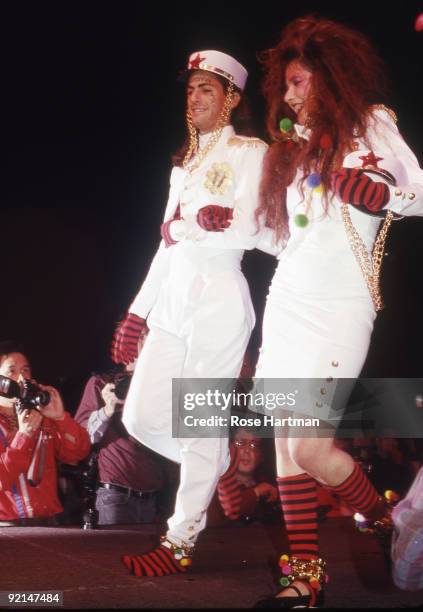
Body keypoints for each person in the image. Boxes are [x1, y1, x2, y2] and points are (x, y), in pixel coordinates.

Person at [250, 15, 423, 608]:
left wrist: (385, 196)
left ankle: (383, 517)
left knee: (311, 448)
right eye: (288, 85)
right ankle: (306, 576)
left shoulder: (372, 124)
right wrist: (205, 228)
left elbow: (420, 192)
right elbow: (283, 239)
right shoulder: (291, 152)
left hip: (343, 306)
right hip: (287, 300)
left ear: (328, 78)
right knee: (284, 447)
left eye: (298, 82)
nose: (290, 95)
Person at [111, 49, 275, 576]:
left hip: (220, 292)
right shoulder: (182, 163)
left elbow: (263, 230)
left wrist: (212, 222)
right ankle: (216, 462)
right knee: (140, 416)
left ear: (231, 98)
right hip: (175, 295)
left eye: (208, 87)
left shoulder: (251, 151)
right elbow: (165, 243)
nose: (196, 96)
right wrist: (137, 312)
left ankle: (179, 539)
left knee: (199, 420)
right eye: (191, 89)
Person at [0, 341, 90, 524]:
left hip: (49, 522)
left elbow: (77, 453)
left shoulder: (41, 415)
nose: (21, 378)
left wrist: (60, 419)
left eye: (26, 370)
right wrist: (24, 436)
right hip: (7, 527)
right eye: (12, 371)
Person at [74, 364, 164, 525]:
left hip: (155, 497)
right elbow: (80, 439)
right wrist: (107, 410)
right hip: (115, 496)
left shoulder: (159, 381)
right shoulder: (101, 382)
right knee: (115, 550)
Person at [207, 426, 278, 526]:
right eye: (241, 443)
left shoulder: (272, 489)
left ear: (262, 454)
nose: (247, 451)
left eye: (254, 444)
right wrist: (256, 493)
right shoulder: (212, 486)